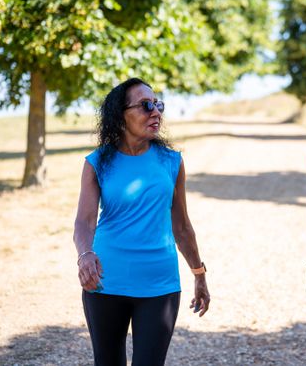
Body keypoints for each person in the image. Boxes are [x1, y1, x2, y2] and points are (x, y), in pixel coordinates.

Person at [73, 78, 210, 366]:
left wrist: (199, 273)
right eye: (146, 105)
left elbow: (182, 226)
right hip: (106, 281)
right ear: (120, 115)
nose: (155, 112)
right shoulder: (98, 162)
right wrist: (85, 255)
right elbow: (84, 222)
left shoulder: (171, 162)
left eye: (158, 105)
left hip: (159, 284)